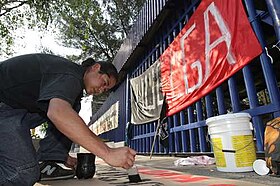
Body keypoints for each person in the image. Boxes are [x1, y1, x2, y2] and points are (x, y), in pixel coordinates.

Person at [0, 53, 137, 185]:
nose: (102, 89)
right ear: (95, 68)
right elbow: (58, 113)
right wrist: (108, 153)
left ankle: (50, 160)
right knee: (22, 173)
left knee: (71, 110)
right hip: (5, 106)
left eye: (106, 89)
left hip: (14, 109)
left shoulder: (72, 89)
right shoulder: (70, 74)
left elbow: (62, 115)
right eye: (104, 82)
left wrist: (60, 156)